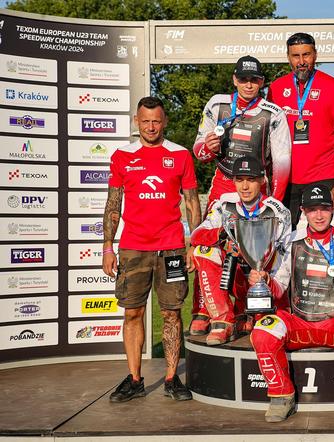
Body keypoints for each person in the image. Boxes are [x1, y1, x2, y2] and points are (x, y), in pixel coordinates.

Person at [249, 184, 334, 424]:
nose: (319, 215)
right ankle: (282, 396)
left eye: (324, 208)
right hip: (299, 322)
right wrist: (265, 280)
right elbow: (279, 288)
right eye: (312, 210)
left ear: (333, 209)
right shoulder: (291, 241)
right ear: (303, 211)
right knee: (262, 332)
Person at [102, 96, 201, 402]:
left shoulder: (180, 155)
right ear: (136, 122)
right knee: (133, 313)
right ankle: (134, 379)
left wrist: (193, 245)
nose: (151, 127)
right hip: (133, 247)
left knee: (171, 314)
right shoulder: (122, 155)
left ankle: (172, 379)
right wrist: (108, 247)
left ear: (165, 121)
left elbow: (192, 203)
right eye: (145, 121)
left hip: (171, 247)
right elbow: (113, 204)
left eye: (156, 121)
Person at [190, 55, 291, 335]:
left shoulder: (273, 112)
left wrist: (276, 202)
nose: (249, 85)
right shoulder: (217, 103)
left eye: (255, 80)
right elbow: (199, 152)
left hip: (259, 185)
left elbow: (282, 162)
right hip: (224, 181)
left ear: (262, 82)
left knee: (255, 251)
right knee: (213, 242)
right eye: (244, 79)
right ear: (235, 80)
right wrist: (207, 148)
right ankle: (204, 308)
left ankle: (250, 307)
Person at [190, 156, 291, 346]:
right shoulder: (225, 205)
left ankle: (250, 312)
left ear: (262, 180)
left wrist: (267, 281)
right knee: (203, 251)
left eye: (251, 179)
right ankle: (223, 320)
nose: (244, 187)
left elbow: (286, 258)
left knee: (265, 332)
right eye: (239, 179)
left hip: (266, 281)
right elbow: (197, 235)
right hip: (235, 278)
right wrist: (223, 235)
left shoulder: (277, 210)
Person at [268, 32, 334, 227]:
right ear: (288, 57)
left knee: (321, 238)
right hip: (287, 179)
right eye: (295, 56)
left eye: (306, 55)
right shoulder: (276, 88)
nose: (301, 61)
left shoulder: (333, 86)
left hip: (323, 177)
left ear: (315, 55)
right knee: (285, 239)